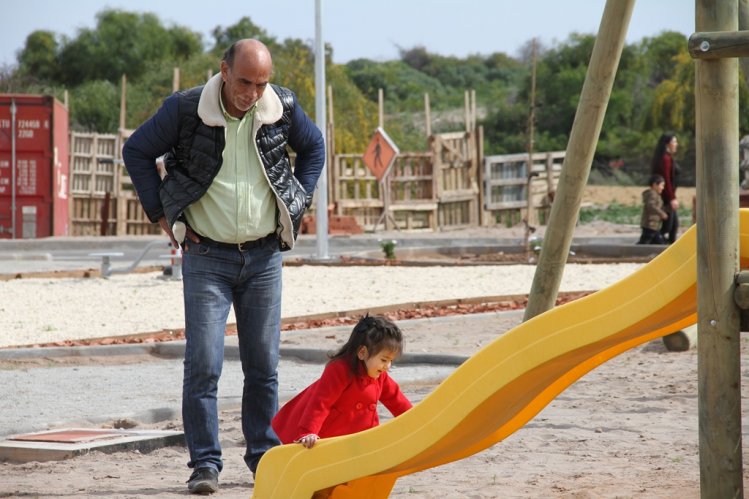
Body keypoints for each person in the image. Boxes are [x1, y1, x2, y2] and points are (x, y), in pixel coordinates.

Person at [122, 39, 325, 494]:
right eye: (245, 82)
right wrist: (161, 215)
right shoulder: (185, 109)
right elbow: (136, 150)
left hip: (264, 257)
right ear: (225, 71)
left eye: (261, 84)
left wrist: (299, 199)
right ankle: (205, 465)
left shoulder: (283, 107)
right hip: (206, 257)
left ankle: (263, 459)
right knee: (204, 365)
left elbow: (314, 148)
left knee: (263, 365)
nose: (251, 93)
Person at [271, 315, 412, 449]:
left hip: (360, 437)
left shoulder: (379, 375)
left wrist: (415, 420)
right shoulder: (340, 369)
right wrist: (308, 431)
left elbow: (395, 399)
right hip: (329, 436)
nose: (388, 366)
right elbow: (320, 402)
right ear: (362, 352)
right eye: (384, 360)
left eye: (391, 361)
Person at [650, 133, 680, 244]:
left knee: (673, 225)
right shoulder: (665, 159)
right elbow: (666, 179)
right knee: (670, 225)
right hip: (666, 197)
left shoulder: (666, 158)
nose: (676, 144)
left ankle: (667, 245)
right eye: (674, 142)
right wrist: (672, 198)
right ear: (668, 144)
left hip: (666, 195)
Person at [637, 174, 668, 245]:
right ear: (655, 185)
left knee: (656, 242)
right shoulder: (652, 194)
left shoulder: (655, 194)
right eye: (662, 185)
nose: (663, 188)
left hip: (653, 224)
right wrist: (661, 213)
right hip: (650, 224)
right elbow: (651, 206)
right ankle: (632, 252)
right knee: (645, 243)